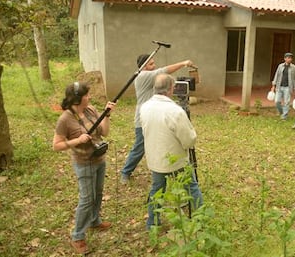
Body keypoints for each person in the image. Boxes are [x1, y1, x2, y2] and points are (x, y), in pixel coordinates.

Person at [52, 82, 116, 254]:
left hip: (99, 158)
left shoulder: (91, 109)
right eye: (87, 95)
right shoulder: (65, 119)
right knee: (87, 199)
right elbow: (56, 145)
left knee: (99, 192)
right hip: (83, 163)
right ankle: (78, 236)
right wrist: (77, 140)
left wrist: (107, 116)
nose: (90, 97)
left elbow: (104, 132)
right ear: (78, 99)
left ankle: (94, 220)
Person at [140, 73, 203, 230]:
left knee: (157, 190)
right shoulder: (175, 111)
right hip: (177, 161)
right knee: (192, 188)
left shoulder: (144, 107)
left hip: (155, 160)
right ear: (171, 89)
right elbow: (189, 140)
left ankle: (152, 223)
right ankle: (202, 219)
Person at [120, 55, 195, 184]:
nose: (153, 66)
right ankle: (125, 172)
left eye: (154, 63)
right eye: (150, 64)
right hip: (144, 118)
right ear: (143, 66)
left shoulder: (150, 77)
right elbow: (164, 71)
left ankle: (164, 169)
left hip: (155, 116)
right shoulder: (143, 76)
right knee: (139, 147)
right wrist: (183, 63)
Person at [271, 52, 295, 120]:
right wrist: (273, 86)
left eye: (291, 58)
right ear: (285, 58)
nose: (290, 59)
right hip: (279, 86)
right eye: (288, 58)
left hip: (288, 87)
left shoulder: (294, 68)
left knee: (286, 102)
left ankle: (284, 116)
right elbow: (276, 75)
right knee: (277, 101)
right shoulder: (280, 66)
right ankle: (282, 113)